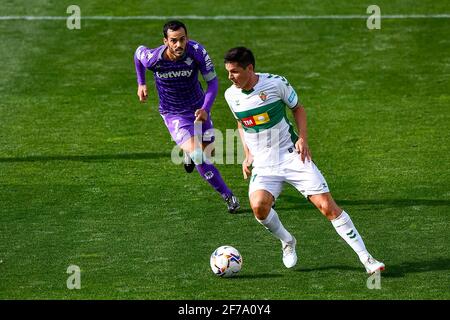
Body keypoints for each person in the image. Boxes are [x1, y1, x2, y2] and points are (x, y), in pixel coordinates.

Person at [223, 47, 385, 273]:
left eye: (235, 72)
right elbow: (242, 123)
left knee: (327, 207)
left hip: (292, 155)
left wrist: (303, 139)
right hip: (264, 163)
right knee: (259, 208)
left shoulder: (275, 83)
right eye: (228, 72)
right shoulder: (231, 95)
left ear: (250, 68)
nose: (230, 77)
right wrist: (247, 153)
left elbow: (298, 108)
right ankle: (288, 241)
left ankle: (367, 259)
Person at [134, 20, 240, 213]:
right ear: (165, 41)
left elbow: (213, 83)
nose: (179, 44)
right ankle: (228, 195)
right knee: (199, 155)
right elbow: (137, 53)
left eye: (182, 39)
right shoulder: (153, 58)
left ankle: (188, 154)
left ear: (187, 38)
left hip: (199, 109)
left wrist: (205, 108)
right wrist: (141, 83)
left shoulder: (197, 52)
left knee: (209, 153)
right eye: (173, 40)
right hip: (173, 113)